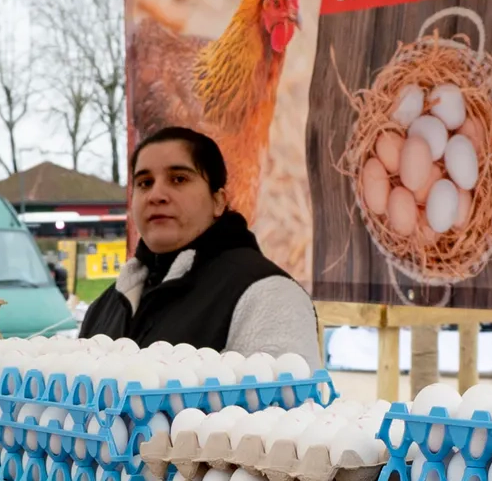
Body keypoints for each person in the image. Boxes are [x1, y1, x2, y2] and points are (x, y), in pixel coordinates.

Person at [77, 127, 322, 359]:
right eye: (144, 183)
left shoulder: (267, 295)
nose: (156, 195)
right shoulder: (107, 305)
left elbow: (283, 400)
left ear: (218, 201)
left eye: (179, 179)